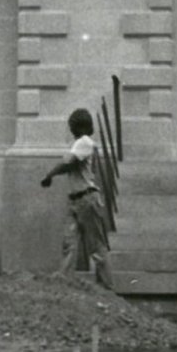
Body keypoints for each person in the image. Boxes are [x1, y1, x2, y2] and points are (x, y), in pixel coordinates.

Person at [39, 108, 110, 284]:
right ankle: (65, 283)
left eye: (72, 126)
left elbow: (67, 164)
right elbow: (70, 165)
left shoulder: (85, 142)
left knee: (96, 247)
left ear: (80, 127)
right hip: (75, 200)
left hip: (87, 198)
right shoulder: (79, 144)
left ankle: (108, 286)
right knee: (68, 243)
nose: (71, 130)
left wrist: (49, 175)